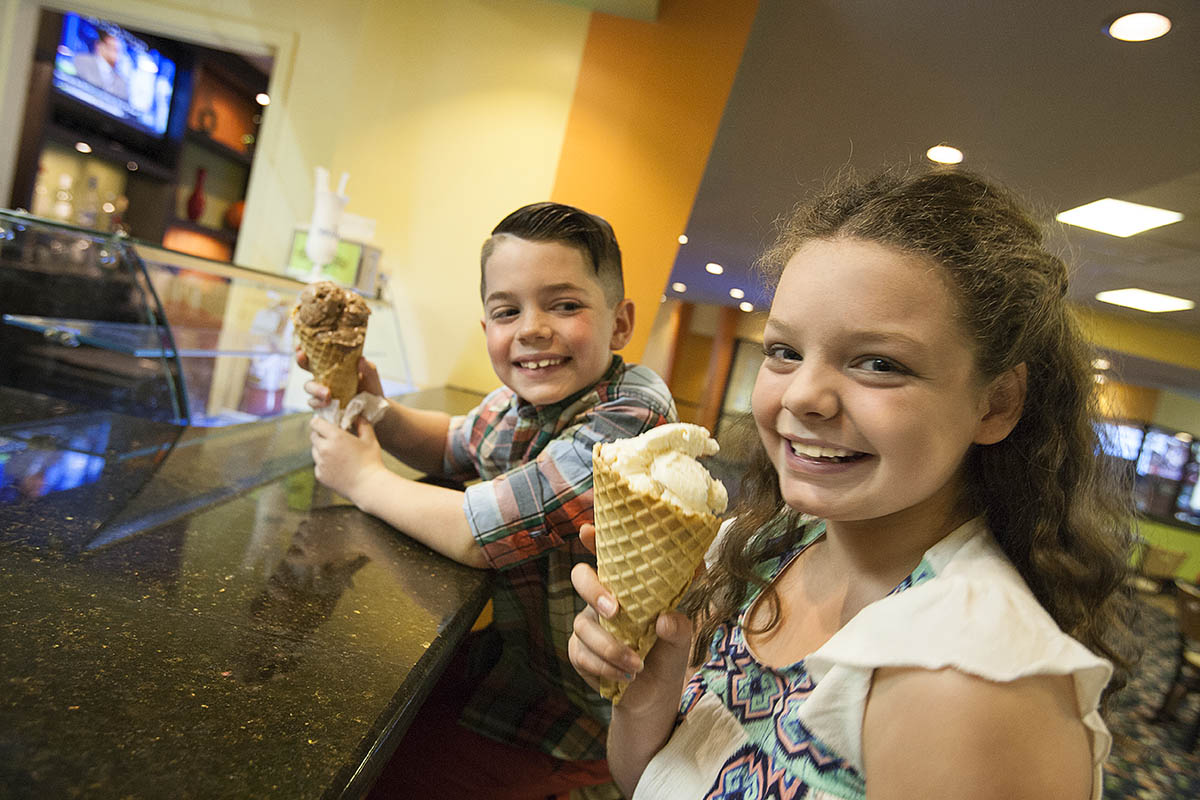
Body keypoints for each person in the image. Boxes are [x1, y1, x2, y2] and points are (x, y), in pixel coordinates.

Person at [568, 168, 1139, 799]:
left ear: (996, 403)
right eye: (784, 351)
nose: (805, 395)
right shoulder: (760, 549)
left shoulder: (966, 680)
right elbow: (648, 780)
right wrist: (648, 697)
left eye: (879, 363)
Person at [301, 202, 677, 797]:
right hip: (514, 669)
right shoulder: (516, 404)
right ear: (487, 331)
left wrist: (365, 480)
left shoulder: (632, 415)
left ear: (621, 324)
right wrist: (376, 407)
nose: (531, 327)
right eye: (508, 311)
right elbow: (452, 443)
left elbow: (480, 535)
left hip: (584, 722)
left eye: (566, 304)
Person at [73, 31, 128, 101]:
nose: (117, 55)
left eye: (118, 51)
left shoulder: (122, 82)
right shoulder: (82, 61)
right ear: (100, 46)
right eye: (114, 49)